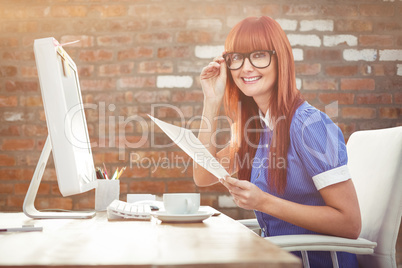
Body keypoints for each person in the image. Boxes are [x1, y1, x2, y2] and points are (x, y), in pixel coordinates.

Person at [193, 16, 361, 268]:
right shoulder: (257, 127)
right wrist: (211, 100)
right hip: (277, 260)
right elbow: (203, 176)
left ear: (280, 59)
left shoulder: (310, 125)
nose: (246, 67)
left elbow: (350, 224)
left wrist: (263, 202)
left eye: (259, 55)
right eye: (236, 58)